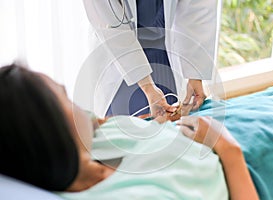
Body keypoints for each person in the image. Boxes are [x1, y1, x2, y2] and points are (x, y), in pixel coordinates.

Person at [0, 64, 258, 199]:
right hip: (247, 172)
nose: (80, 108)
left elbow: (97, 120)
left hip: (215, 128)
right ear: (51, 130)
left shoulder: (90, 141)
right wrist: (228, 149)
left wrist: (156, 123)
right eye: (65, 98)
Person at [82, 0, 217, 117]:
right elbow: (108, 22)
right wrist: (148, 88)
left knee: (167, 127)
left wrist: (195, 75)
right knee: (128, 131)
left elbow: (197, 10)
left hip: (163, 53)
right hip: (120, 60)